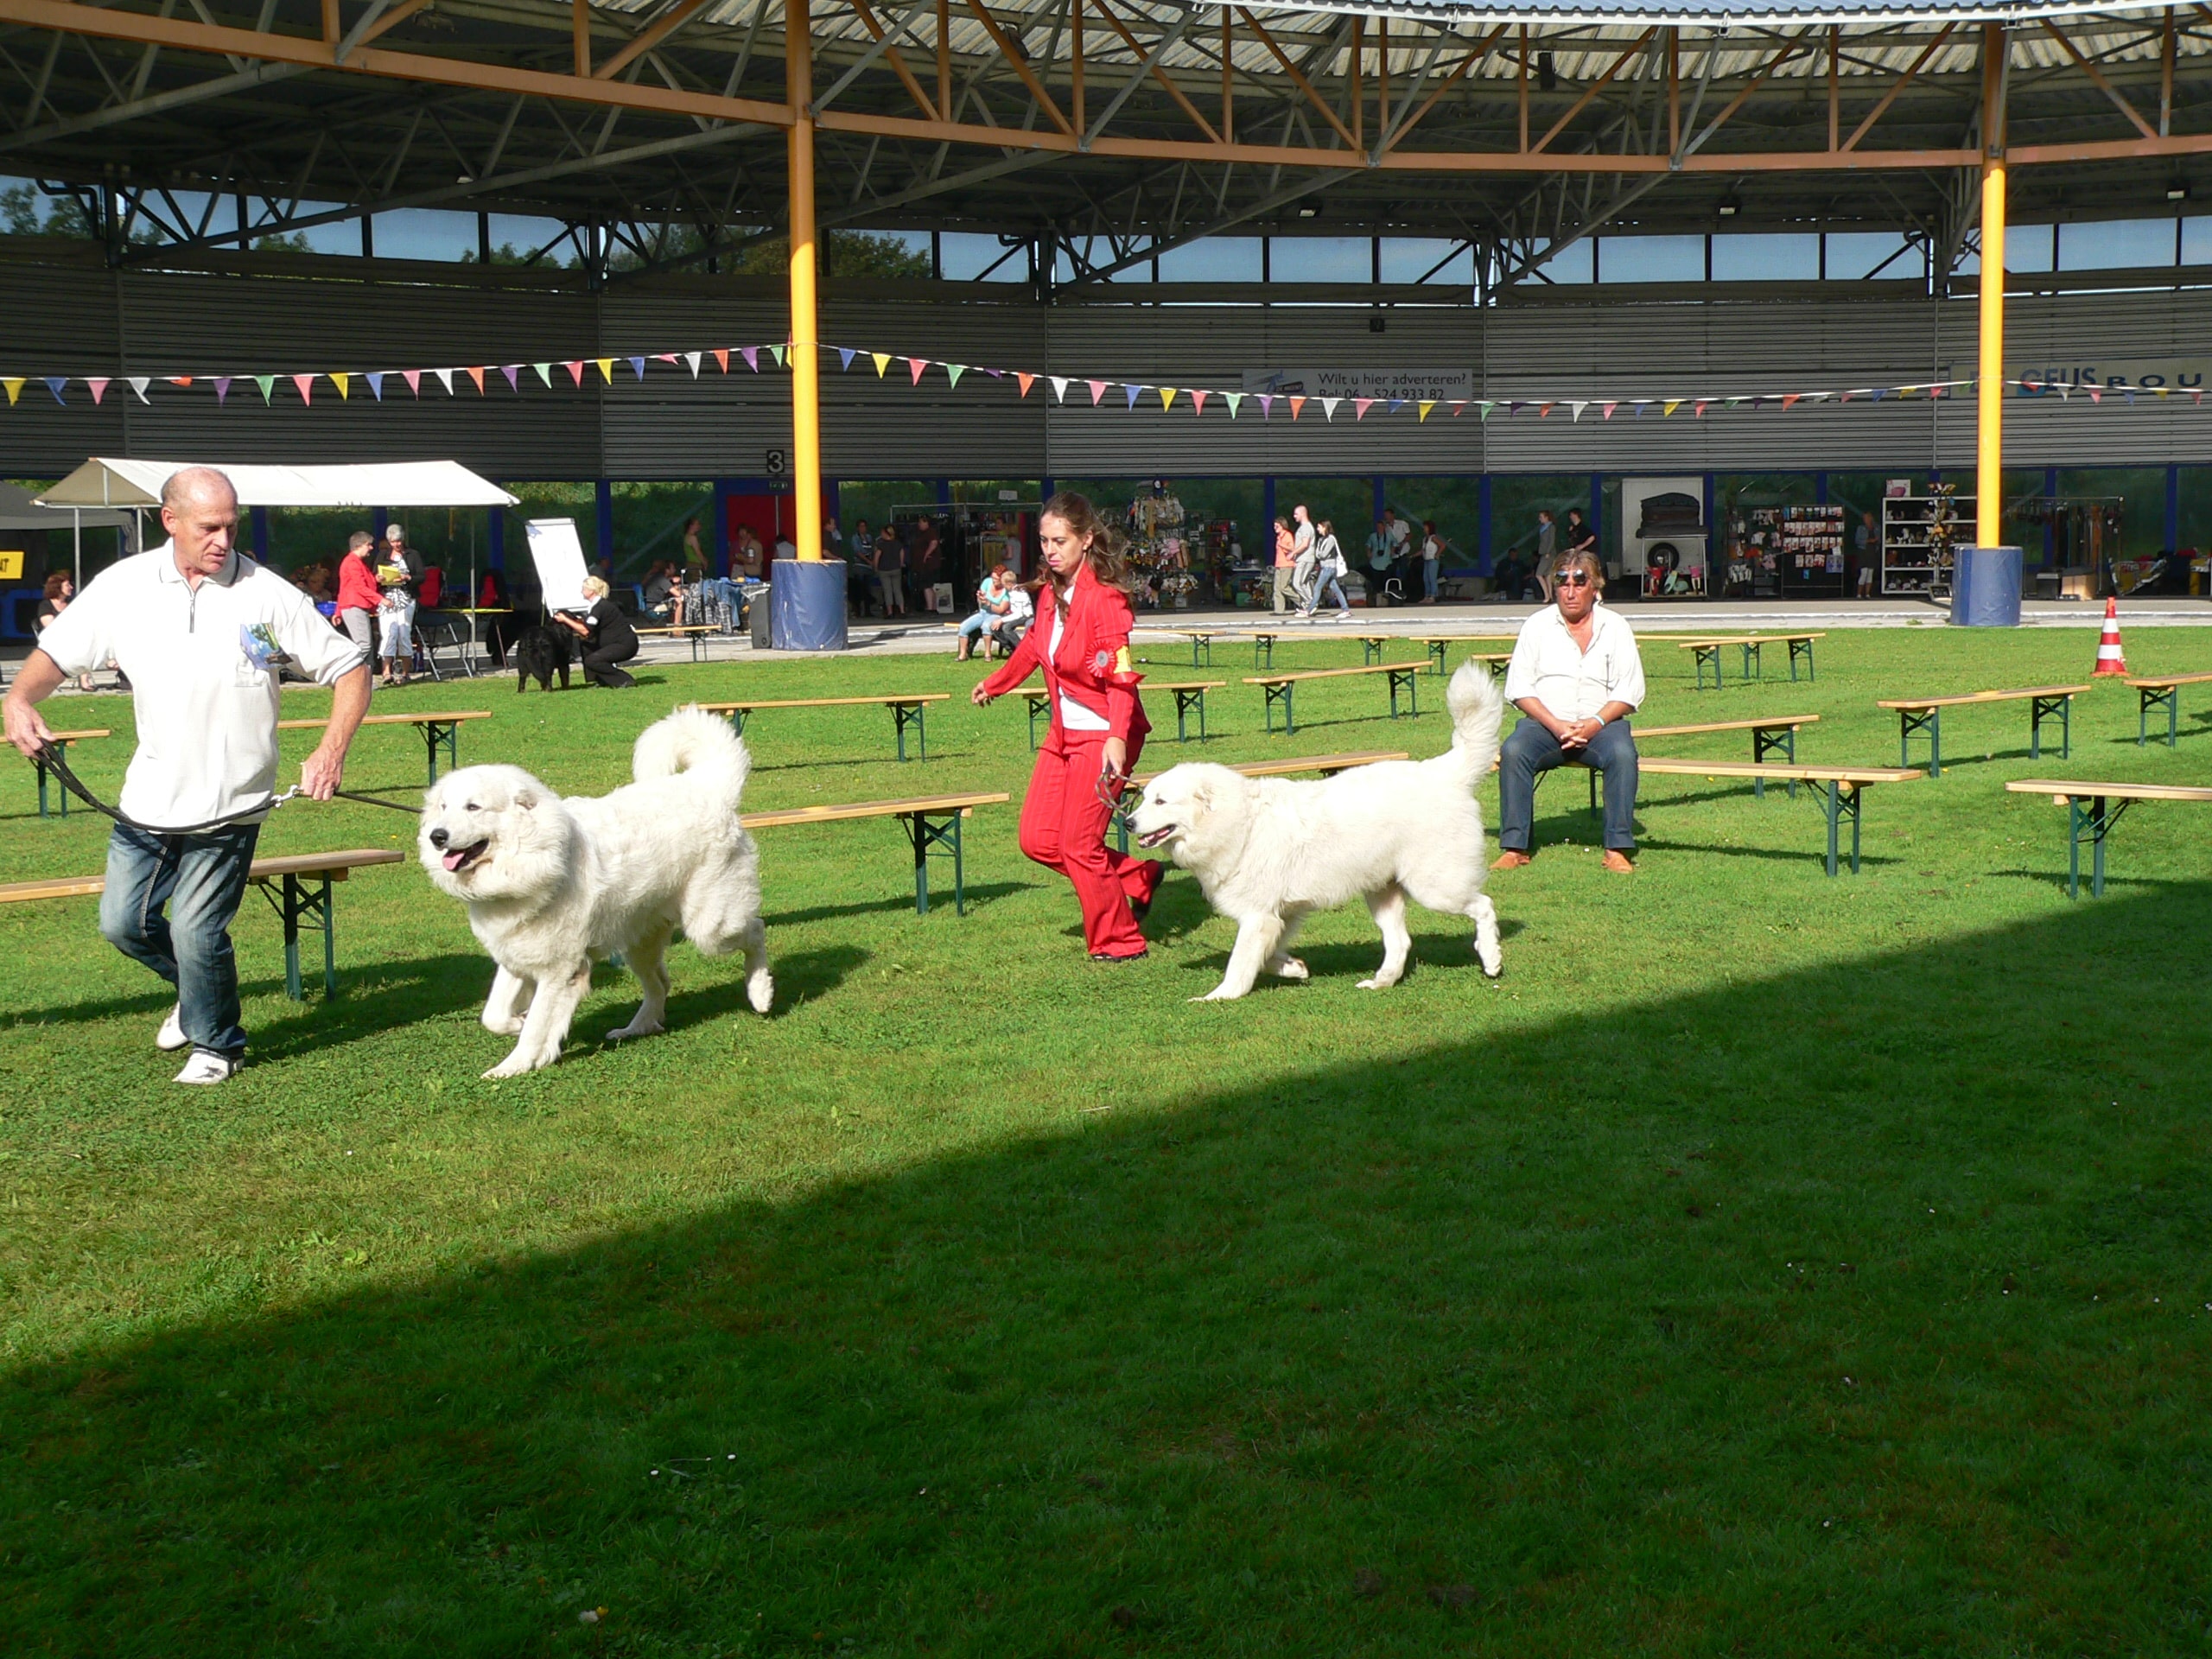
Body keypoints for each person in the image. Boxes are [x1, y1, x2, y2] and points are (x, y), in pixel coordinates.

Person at [3, 467, 371, 1083]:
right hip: (148, 798)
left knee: (199, 930)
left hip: (234, 800)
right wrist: (18, 702)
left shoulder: (267, 592)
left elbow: (351, 670)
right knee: (123, 923)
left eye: (231, 525)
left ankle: (218, 1046)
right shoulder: (124, 586)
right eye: (209, 527)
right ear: (168, 521)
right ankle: (197, 996)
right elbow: (54, 656)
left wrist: (330, 751)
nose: (224, 540)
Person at [972, 491, 1158, 963]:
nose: (1050, 550)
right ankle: (1136, 877)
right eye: (1044, 541)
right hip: (1063, 734)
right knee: (1037, 841)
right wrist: (995, 684)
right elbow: (1035, 647)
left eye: (1059, 541)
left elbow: (1121, 676)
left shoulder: (1107, 601)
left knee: (1079, 845)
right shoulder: (1051, 593)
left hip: (1104, 735)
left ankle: (1120, 940)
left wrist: (1116, 737)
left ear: (1086, 539)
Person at [1491, 548, 1644, 874]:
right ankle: (1514, 846)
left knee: (1622, 753)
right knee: (1514, 750)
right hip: (1546, 724)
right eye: (1562, 583)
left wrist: (1594, 723)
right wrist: (1556, 724)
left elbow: (1630, 692)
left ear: (1595, 586)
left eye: (1579, 582)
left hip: (1602, 724)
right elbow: (1518, 688)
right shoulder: (1536, 626)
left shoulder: (1616, 627)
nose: (1570, 591)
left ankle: (1617, 848)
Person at [554, 575, 640, 688]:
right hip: (616, 643)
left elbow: (585, 631)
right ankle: (601, 680)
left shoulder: (599, 607)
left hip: (625, 645)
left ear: (592, 591)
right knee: (586, 646)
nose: (581, 591)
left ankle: (624, 680)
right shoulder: (597, 606)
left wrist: (565, 619)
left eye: (584, 589)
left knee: (592, 661)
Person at [375, 522, 423, 687]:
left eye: (399, 541)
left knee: (404, 633)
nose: (397, 544)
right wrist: (379, 578)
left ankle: (405, 673)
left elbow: (421, 576)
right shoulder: (383, 555)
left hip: (406, 598)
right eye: (393, 542)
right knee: (389, 633)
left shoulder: (413, 555)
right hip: (387, 598)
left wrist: (407, 578)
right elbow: (375, 574)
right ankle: (386, 671)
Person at [956, 564, 1012, 661]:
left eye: (996, 579)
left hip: (996, 614)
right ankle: (963, 654)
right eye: (993, 578)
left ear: (1002, 579)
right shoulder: (987, 582)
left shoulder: (1006, 590)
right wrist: (980, 597)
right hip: (983, 612)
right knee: (964, 626)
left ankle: (987, 654)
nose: (993, 581)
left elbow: (1001, 609)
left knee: (986, 626)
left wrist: (989, 603)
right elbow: (980, 598)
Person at [1302, 519, 1352, 619]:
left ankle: (1308, 610)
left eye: (1319, 527)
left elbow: (1323, 554)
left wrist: (1320, 554)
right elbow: (1318, 553)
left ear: (1325, 527)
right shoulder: (1321, 540)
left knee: (1317, 587)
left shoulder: (1331, 539)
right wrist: (1320, 554)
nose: (1318, 529)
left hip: (1329, 568)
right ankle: (1346, 609)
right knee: (1335, 588)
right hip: (1325, 567)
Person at [874, 521, 908, 617]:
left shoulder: (881, 545)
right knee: (898, 590)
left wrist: (875, 568)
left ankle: (890, 612)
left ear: (885, 534)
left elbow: (877, 557)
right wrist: (900, 564)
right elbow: (902, 555)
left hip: (884, 570)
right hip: (896, 569)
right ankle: (902, 611)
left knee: (887, 591)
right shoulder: (898, 544)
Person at [1365, 517, 1395, 607]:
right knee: (1376, 581)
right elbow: (1368, 545)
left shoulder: (1389, 535)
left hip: (1386, 561)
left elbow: (1394, 543)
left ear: (1384, 527)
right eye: (1378, 527)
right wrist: (1368, 553)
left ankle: (1385, 597)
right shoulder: (1373, 536)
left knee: (1385, 580)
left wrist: (1392, 551)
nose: (1379, 528)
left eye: (1381, 527)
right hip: (1375, 562)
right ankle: (1376, 598)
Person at [1271, 515, 1296, 614]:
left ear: (1282, 526)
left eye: (1277, 526)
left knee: (1284, 587)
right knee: (1277, 588)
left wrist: (1281, 544)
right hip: (1279, 564)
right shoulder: (1279, 537)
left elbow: (1292, 548)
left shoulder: (1287, 535)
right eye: (1274, 526)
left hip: (1287, 564)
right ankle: (1279, 610)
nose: (1275, 528)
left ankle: (1302, 601)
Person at [1535, 509, 1560, 601]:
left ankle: (1547, 595)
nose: (1540, 519)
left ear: (1547, 517)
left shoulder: (1551, 527)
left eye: (1541, 517)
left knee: (1539, 574)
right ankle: (1550, 595)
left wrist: (1548, 552)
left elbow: (1551, 541)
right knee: (1548, 575)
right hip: (1544, 552)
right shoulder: (1543, 528)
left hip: (1548, 554)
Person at [1418, 519, 1445, 604]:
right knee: (1426, 578)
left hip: (1433, 560)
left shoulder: (1433, 537)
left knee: (1432, 578)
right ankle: (1427, 595)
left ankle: (1433, 596)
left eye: (1425, 527)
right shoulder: (1425, 539)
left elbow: (1442, 545)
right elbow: (1423, 550)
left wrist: (1437, 554)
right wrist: (1413, 556)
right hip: (1426, 560)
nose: (1424, 529)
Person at [1855, 511, 1878, 597]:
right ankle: (1859, 593)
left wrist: (1876, 541)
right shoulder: (1861, 528)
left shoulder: (1876, 528)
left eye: (1867, 518)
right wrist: (1868, 541)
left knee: (1870, 573)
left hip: (1872, 551)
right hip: (1863, 551)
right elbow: (1857, 540)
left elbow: (1879, 539)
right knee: (1864, 573)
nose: (1865, 519)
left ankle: (1867, 593)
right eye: (1864, 518)